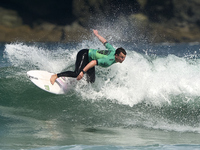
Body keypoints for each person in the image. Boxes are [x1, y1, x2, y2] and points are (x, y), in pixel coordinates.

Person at [50, 29, 126, 85]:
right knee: (77, 73)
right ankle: (56, 76)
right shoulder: (108, 60)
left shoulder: (113, 50)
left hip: (90, 58)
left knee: (91, 81)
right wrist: (82, 72)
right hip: (84, 54)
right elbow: (93, 62)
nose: (123, 59)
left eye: (124, 57)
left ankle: (73, 80)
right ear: (116, 55)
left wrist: (97, 34)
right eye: (122, 57)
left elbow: (104, 42)